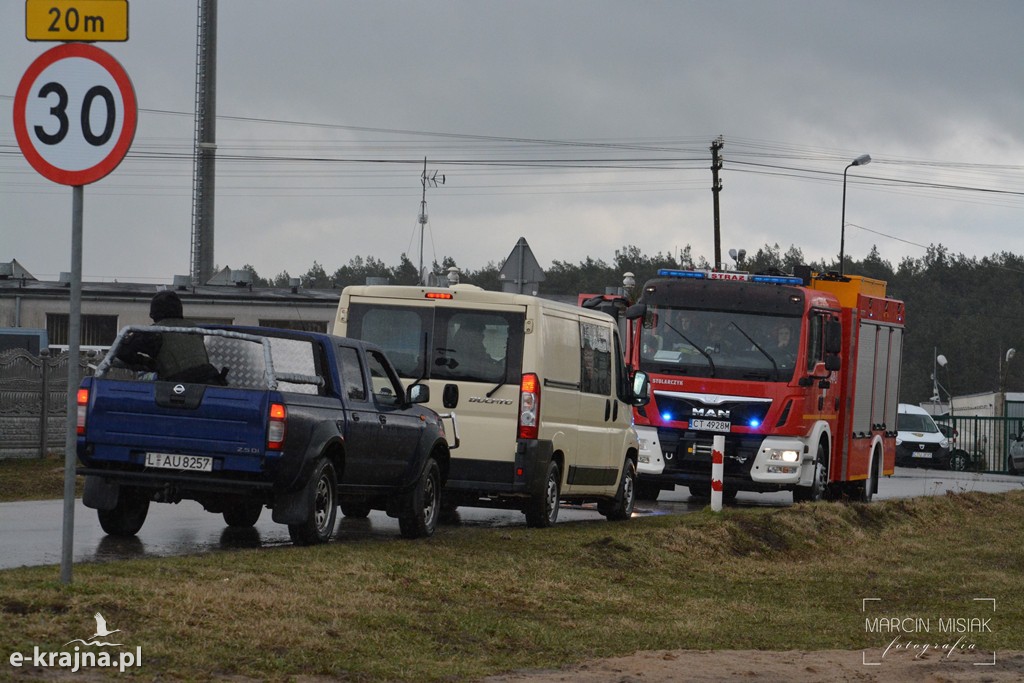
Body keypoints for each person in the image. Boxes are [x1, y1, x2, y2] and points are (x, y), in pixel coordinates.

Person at [117, 290, 227, 384]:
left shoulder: (155, 331)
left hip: (180, 388)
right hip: (212, 381)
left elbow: (121, 350)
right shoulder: (193, 328)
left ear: (154, 313)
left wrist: (147, 363)